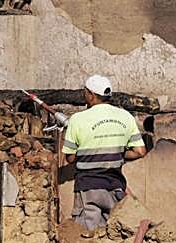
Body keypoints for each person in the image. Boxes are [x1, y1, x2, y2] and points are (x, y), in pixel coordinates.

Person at [61, 75, 147, 230]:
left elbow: (69, 158)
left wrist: (87, 150)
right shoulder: (126, 117)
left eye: (85, 93)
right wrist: (116, 152)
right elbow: (140, 151)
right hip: (116, 187)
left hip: (88, 187)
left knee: (86, 238)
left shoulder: (77, 119)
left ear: (90, 95)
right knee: (112, 234)